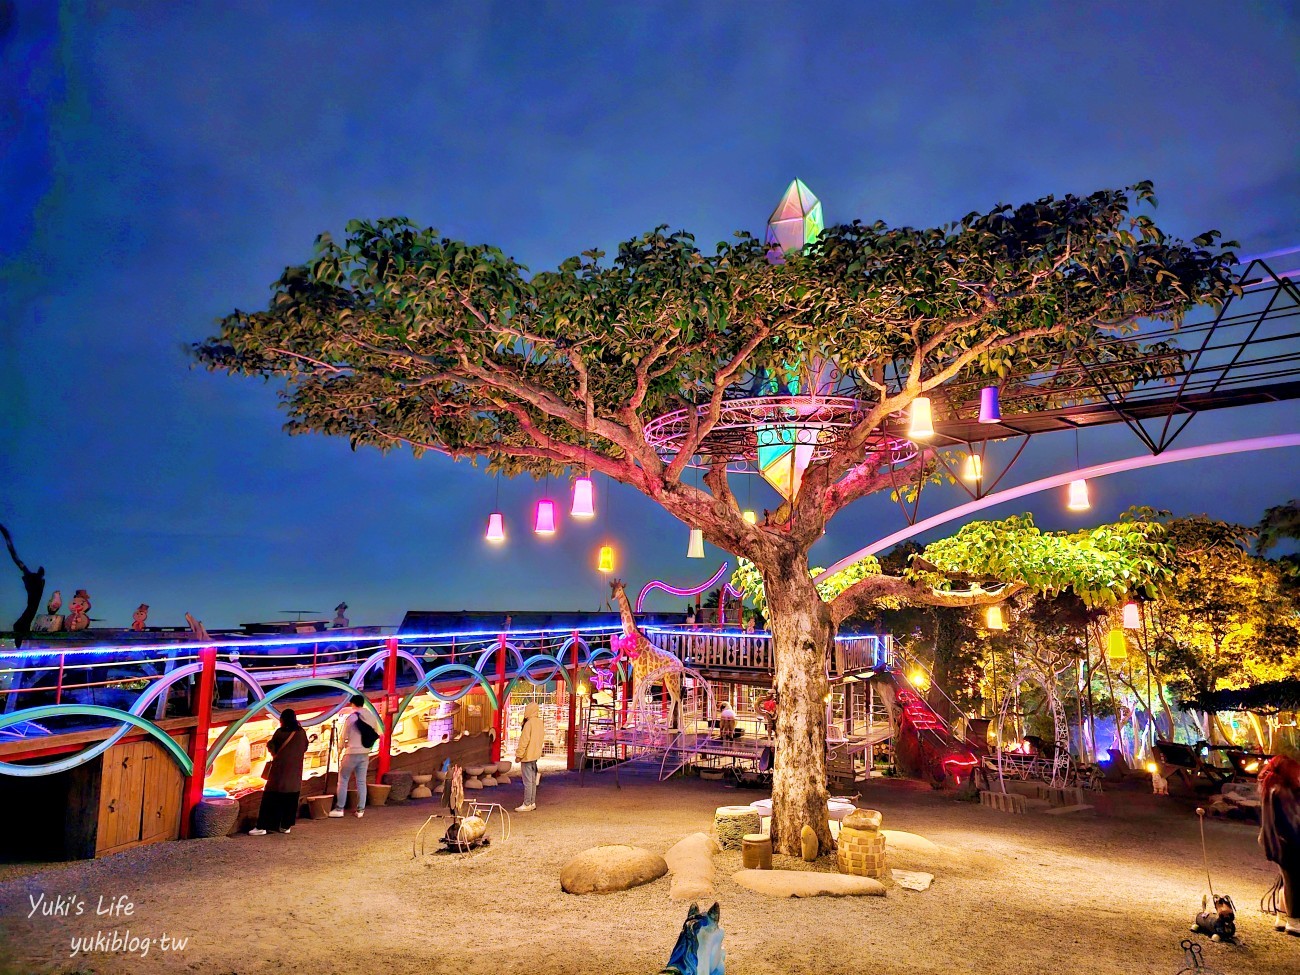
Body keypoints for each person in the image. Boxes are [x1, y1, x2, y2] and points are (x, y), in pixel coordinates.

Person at [250, 709, 309, 835]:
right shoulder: (301, 733)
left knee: (270, 799)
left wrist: (270, 746)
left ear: (282, 720)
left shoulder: (280, 732)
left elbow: (273, 747)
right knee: (290, 801)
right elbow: (305, 747)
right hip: (295, 775)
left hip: (279, 774)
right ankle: (285, 826)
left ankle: (262, 826)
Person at [1259, 755, 1300, 936]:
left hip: (1274, 841)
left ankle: (1282, 916)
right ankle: (1294, 920)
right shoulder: (1283, 791)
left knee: (1286, 878)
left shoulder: (1270, 787)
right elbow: (1292, 823)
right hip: (1286, 843)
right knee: (1294, 881)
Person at [329, 694, 381, 819]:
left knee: (343, 779)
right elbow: (377, 733)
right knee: (361, 781)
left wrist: (339, 751)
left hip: (351, 752)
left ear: (352, 704)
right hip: (365, 753)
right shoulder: (371, 716)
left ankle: (339, 808)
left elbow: (343, 737)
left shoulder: (351, 718)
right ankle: (360, 810)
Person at [515, 701, 543, 812]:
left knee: (527, 782)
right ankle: (532, 802)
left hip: (527, 756)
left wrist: (519, 755)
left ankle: (527, 803)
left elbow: (524, 741)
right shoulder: (540, 723)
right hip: (535, 756)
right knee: (532, 781)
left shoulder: (529, 724)